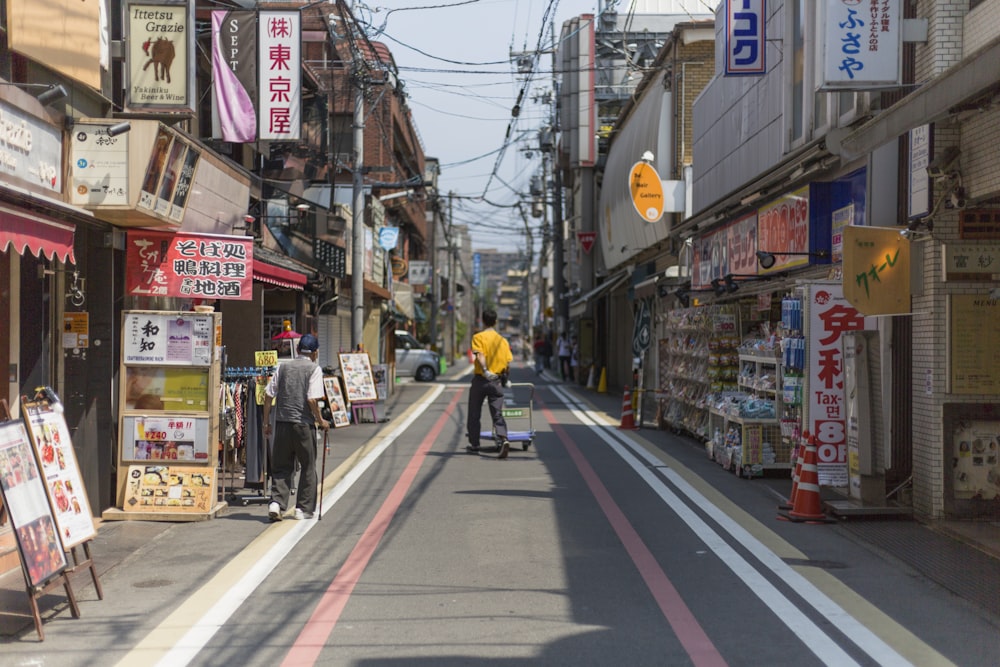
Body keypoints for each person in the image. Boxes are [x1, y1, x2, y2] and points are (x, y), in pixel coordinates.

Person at [262, 333, 330, 521]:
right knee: (308, 465)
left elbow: (268, 395)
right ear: (315, 353)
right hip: (303, 425)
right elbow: (311, 399)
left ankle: (276, 503)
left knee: (281, 466)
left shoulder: (283, 367)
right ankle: (302, 508)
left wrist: (266, 422)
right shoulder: (314, 369)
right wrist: (321, 420)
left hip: (282, 424)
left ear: (298, 350)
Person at [466, 309, 514, 459]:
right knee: (497, 412)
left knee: (474, 412)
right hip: (496, 381)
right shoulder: (503, 341)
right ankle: (503, 438)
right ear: (496, 322)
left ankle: (475, 444)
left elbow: (480, 354)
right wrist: (505, 378)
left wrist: (485, 370)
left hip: (481, 379)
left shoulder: (478, 337)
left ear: (482, 321)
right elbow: (507, 364)